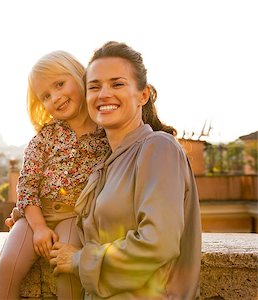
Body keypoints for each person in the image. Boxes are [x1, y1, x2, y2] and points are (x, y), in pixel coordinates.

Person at [49, 41, 202, 299]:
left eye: (117, 84)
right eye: (94, 87)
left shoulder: (158, 148)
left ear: (143, 94)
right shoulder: (105, 165)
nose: (104, 94)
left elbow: (157, 243)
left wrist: (79, 261)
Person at [0, 50, 108, 299]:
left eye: (59, 84)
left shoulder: (106, 135)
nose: (56, 97)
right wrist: (39, 227)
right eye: (46, 95)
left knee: (68, 272)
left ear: (80, 76)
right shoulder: (45, 137)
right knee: (7, 265)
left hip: (75, 219)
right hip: (35, 217)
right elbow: (27, 185)